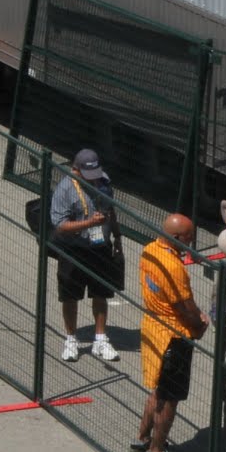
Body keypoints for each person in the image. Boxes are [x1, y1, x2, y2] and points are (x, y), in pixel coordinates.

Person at [131, 213, 210, 452]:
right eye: (189, 238)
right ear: (176, 237)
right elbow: (184, 306)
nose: (192, 241)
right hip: (173, 337)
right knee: (169, 397)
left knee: (158, 388)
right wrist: (199, 325)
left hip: (153, 327)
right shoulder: (174, 268)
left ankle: (142, 438)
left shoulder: (150, 250)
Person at [49, 149, 125, 363]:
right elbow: (60, 225)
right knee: (70, 295)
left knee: (101, 293)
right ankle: (71, 339)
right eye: (88, 175)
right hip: (73, 249)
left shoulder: (104, 182)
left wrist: (117, 236)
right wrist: (89, 223)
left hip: (100, 247)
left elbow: (110, 210)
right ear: (76, 170)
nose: (94, 180)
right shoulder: (65, 189)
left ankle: (100, 339)